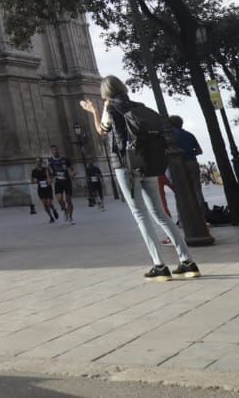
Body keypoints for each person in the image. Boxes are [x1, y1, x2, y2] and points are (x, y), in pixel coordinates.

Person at [80, 76, 198, 280]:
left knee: (141, 215)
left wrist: (94, 111)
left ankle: (159, 266)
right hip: (148, 164)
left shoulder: (111, 108)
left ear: (105, 92)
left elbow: (102, 131)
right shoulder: (138, 106)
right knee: (160, 214)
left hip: (126, 165)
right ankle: (187, 261)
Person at [47, 146, 75, 223]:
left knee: (68, 199)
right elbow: (48, 170)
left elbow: (72, 167)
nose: (54, 151)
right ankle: (65, 210)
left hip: (66, 181)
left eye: (55, 150)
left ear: (58, 150)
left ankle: (71, 217)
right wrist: (49, 178)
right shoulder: (50, 160)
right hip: (58, 182)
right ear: (51, 151)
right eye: (52, 150)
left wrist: (73, 173)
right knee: (59, 199)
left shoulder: (65, 159)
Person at [30, 157, 58, 222]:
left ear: (41, 162)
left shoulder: (46, 169)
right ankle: (51, 217)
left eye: (38, 161)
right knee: (45, 205)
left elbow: (52, 177)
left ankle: (54, 210)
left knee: (49, 203)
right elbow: (32, 181)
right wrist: (35, 181)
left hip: (48, 188)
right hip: (41, 189)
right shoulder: (34, 171)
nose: (37, 163)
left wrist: (49, 180)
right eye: (36, 162)